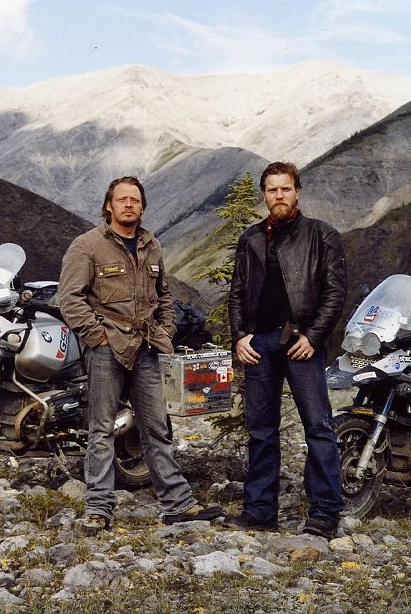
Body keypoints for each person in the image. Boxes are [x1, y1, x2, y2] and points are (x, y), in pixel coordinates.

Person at [59, 176, 224, 535]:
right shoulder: (86, 246)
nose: (129, 205)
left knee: (156, 427)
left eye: (135, 199)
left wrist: (165, 330)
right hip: (107, 348)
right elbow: (69, 297)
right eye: (122, 199)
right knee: (102, 429)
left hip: (147, 348)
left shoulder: (152, 246)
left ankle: (178, 504)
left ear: (142, 206)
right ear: (109, 205)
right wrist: (96, 336)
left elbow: (163, 295)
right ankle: (99, 508)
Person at [224, 161, 347, 539]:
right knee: (261, 430)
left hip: (301, 343)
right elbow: (238, 292)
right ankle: (260, 510)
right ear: (264, 194)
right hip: (258, 345)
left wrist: (313, 337)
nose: (279, 195)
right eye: (272, 189)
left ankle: (325, 511)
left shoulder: (321, 235)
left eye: (286, 188)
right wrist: (240, 336)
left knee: (319, 426)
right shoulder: (251, 239)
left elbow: (335, 292)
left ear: (297, 191)